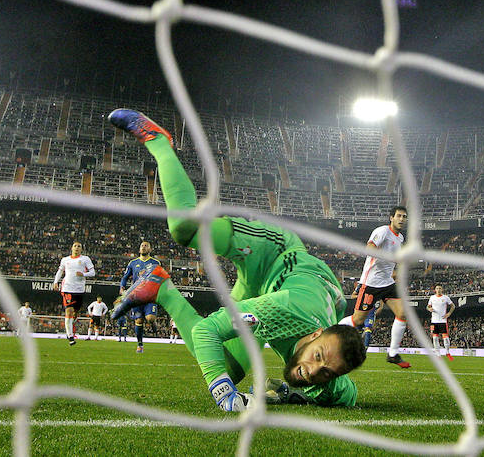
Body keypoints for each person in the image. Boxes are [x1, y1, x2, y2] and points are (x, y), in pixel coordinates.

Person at [108, 108, 366, 409]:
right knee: (183, 228)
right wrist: (224, 394)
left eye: (325, 373)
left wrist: (292, 391)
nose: (312, 370)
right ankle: (159, 142)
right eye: (318, 356)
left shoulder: (329, 381)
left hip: (283, 288)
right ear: (316, 334)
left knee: (227, 366)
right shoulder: (286, 312)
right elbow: (207, 331)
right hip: (273, 253)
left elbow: (349, 394)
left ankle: (161, 288)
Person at [339, 205, 411, 369]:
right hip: (371, 284)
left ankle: (392, 354)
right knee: (358, 319)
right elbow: (370, 248)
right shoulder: (382, 231)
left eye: (404, 216)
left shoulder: (400, 238)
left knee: (402, 313)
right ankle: (332, 331)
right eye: (399, 216)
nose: (401, 219)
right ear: (391, 218)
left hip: (387, 283)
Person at [120, 241, 161, 353]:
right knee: (138, 320)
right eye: (142, 246)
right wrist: (122, 287)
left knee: (150, 318)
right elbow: (125, 277)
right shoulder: (133, 263)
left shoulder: (155, 262)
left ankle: (153, 322)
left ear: (150, 249)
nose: (143, 247)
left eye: (146, 246)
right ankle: (140, 344)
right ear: (139, 249)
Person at [52, 241, 95, 346]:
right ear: (71, 248)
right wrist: (55, 282)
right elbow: (60, 271)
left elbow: (93, 272)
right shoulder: (65, 260)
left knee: (75, 313)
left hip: (79, 290)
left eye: (79, 246)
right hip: (67, 288)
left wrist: (83, 274)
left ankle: (71, 326)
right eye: (75, 246)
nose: (76, 248)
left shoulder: (85, 259)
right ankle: (70, 336)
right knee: (69, 311)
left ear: (81, 249)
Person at [426, 284, 455, 361]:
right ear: (435, 290)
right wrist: (429, 309)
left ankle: (447, 352)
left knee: (445, 338)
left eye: (440, 288)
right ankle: (438, 354)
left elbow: (453, 306)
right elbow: (428, 306)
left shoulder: (445, 298)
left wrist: (449, 313)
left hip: (442, 320)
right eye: (437, 288)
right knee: (435, 338)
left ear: (442, 289)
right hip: (434, 321)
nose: (438, 289)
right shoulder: (432, 298)